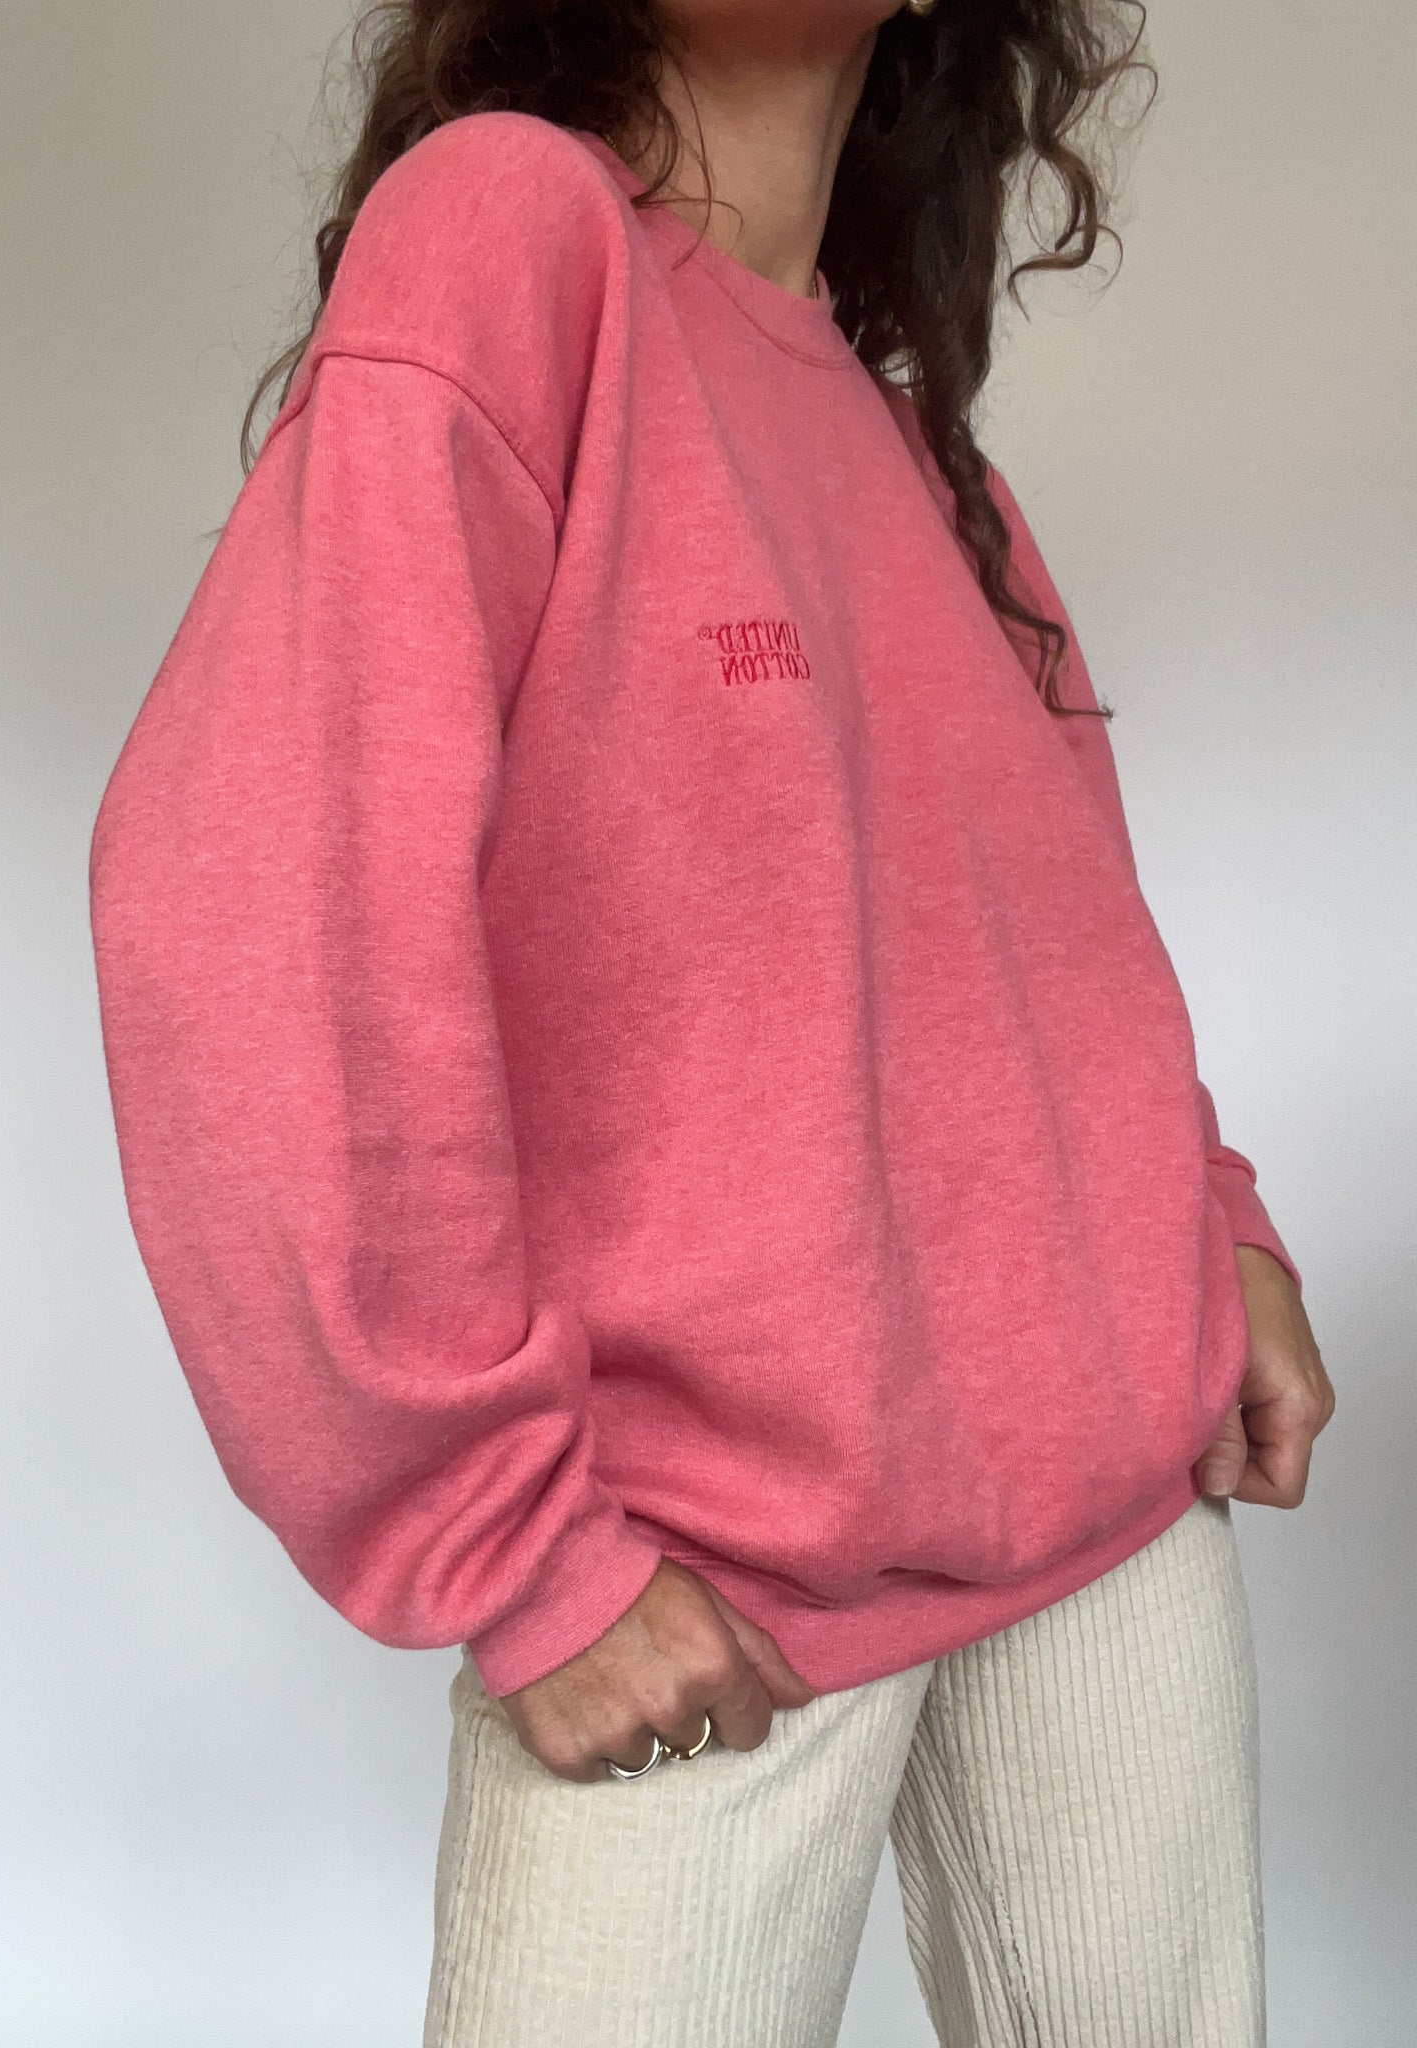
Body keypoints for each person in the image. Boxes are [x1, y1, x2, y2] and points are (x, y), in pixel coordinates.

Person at [88, 1, 1336, 2041]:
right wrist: (502, 1544)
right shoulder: (515, 237)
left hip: (1120, 1532)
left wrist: (1218, 1223)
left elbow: (1056, 943)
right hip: (697, 1576)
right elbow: (249, 923)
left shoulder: (924, 459)